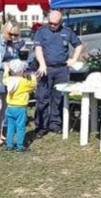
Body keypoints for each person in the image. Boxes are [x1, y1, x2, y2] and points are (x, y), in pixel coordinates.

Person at [33, 10, 83, 138]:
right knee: (42, 98)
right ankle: (41, 126)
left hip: (62, 69)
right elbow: (38, 49)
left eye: (55, 24)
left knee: (58, 98)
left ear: (60, 22)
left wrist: (74, 59)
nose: (52, 25)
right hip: (46, 68)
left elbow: (78, 45)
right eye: (50, 23)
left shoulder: (67, 31)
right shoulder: (42, 32)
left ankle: (55, 124)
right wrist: (42, 64)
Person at [3, 59, 37, 152]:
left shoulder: (9, 80)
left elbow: (4, 79)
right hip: (20, 107)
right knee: (20, 127)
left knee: (10, 126)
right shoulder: (23, 82)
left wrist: (6, 69)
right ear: (22, 71)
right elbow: (33, 85)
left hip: (10, 107)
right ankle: (20, 146)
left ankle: (9, 145)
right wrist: (33, 77)